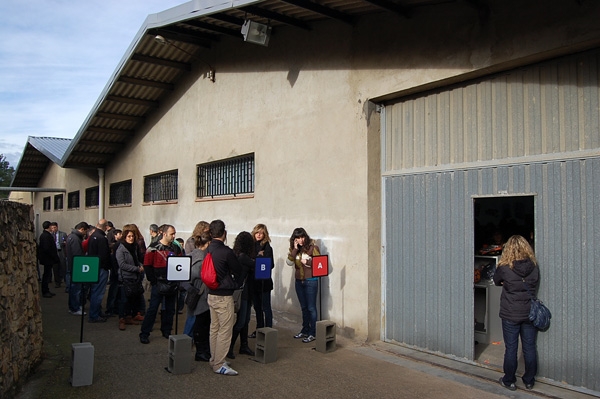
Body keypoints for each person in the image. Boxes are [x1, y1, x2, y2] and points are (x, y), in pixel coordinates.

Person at [493, 235, 540, 391]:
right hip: (529, 313)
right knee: (530, 347)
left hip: (510, 313)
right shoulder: (534, 266)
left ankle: (509, 380)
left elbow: (496, 280)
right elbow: (535, 282)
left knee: (511, 348)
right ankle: (529, 380)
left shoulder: (504, 267)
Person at [207, 219, 243, 375]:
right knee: (225, 330)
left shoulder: (208, 249)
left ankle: (214, 358)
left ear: (210, 233)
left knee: (214, 328)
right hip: (223, 296)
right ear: (224, 233)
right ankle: (219, 363)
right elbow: (238, 269)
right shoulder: (226, 251)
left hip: (211, 294)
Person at [139, 224, 183, 344]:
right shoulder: (153, 248)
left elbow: (180, 263)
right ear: (164, 234)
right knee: (153, 308)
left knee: (169, 309)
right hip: (158, 282)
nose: (174, 236)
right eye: (171, 234)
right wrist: (153, 281)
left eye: (174, 233)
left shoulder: (176, 248)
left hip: (172, 282)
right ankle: (145, 333)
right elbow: (147, 265)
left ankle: (166, 330)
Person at [286, 227, 320, 343]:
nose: (300, 240)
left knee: (311, 308)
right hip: (299, 281)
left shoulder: (313, 248)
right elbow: (289, 262)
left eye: (302, 237)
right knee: (304, 308)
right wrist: (295, 249)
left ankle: (313, 332)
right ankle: (305, 329)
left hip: (311, 281)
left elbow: (320, 264)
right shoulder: (294, 250)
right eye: (297, 238)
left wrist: (308, 262)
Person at [227, 231, 255, 359]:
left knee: (245, 320)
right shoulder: (244, 257)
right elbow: (256, 264)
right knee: (241, 321)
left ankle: (244, 345)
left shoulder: (236, 254)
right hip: (242, 292)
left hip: (245, 291)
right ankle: (229, 348)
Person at [185, 228, 212, 362]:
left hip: (195, 294)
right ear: (207, 244)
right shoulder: (202, 259)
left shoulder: (191, 255)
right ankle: (201, 352)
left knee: (200, 324)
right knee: (202, 325)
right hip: (201, 296)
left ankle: (202, 351)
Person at [249, 223, 274, 338]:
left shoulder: (267, 247)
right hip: (254, 282)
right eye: (257, 232)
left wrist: (259, 257)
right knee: (257, 307)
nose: (259, 235)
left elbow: (270, 264)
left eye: (261, 233)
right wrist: (257, 256)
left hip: (264, 282)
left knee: (266, 307)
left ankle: (269, 330)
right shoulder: (251, 246)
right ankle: (259, 329)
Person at [116, 229, 144, 331]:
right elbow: (122, 265)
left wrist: (140, 266)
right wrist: (137, 269)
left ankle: (129, 316)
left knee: (133, 298)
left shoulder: (135, 247)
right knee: (124, 299)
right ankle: (122, 319)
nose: (131, 238)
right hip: (125, 277)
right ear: (125, 237)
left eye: (132, 236)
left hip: (135, 277)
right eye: (129, 236)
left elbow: (137, 260)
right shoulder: (121, 249)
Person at [87, 219, 112, 323]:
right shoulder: (102, 238)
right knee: (98, 292)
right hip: (101, 268)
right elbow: (104, 255)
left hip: (93, 266)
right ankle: (94, 315)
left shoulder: (92, 236)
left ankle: (96, 312)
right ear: (106, 227)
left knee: (95, 291)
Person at [66, 222, 89, 315]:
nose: (85, 233)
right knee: (76, 289)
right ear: (82, 229)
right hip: (76, 267)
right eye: (85, 231)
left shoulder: (71, 236)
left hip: (73, 266)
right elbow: (77, 255)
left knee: (73, 288)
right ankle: (75, 308)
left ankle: (73, 307)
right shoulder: (75, 239)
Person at [38, 221, 60, 298]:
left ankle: (46, 290)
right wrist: (54, 256)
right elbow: (47, 248)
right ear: (49, 227)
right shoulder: (46, 236)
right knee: (46, 275)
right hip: (48, 259)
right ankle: (45, 291)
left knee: (47, 274)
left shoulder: (45, 235)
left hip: (47, 258)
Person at [51, 222, 67, 288]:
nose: (53, 229)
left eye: (54, 227)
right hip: (54, 252)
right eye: (52, 228)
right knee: (55, 267)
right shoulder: (50, 235)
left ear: (57, 227)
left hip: (61, 251)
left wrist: (64, 243)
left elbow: (66, 242)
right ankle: (57, 282)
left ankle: (65, 281)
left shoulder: (63, 234)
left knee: (63, 266)